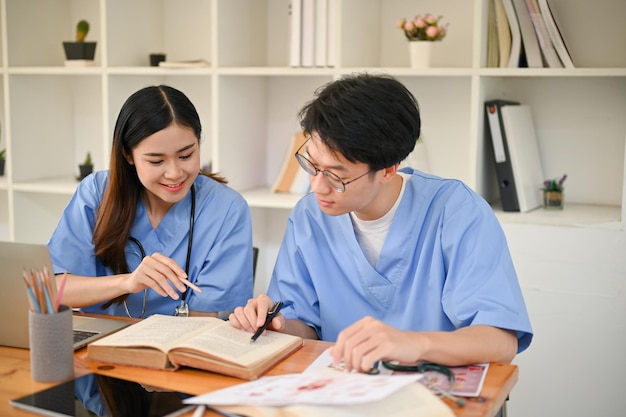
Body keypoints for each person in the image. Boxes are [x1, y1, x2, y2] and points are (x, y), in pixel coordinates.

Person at [230, 73, 533, 372]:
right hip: (338, 392)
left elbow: (500, 340)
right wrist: (273, 325)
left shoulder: (456, 212)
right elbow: (306, 329)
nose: (318, 187)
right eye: (312, 165)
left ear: (388, 169)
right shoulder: (309, 217)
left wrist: (411, 344)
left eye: (337, 176)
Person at [48, 85, 253, 318]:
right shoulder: (95, 192)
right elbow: (55, 290)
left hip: (178, 347)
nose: (174, 173)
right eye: (156, 161)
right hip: (97, 344)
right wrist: (128, 283)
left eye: (186, 155)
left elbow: (204, 322)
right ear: (128, 155)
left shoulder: (226, 209)